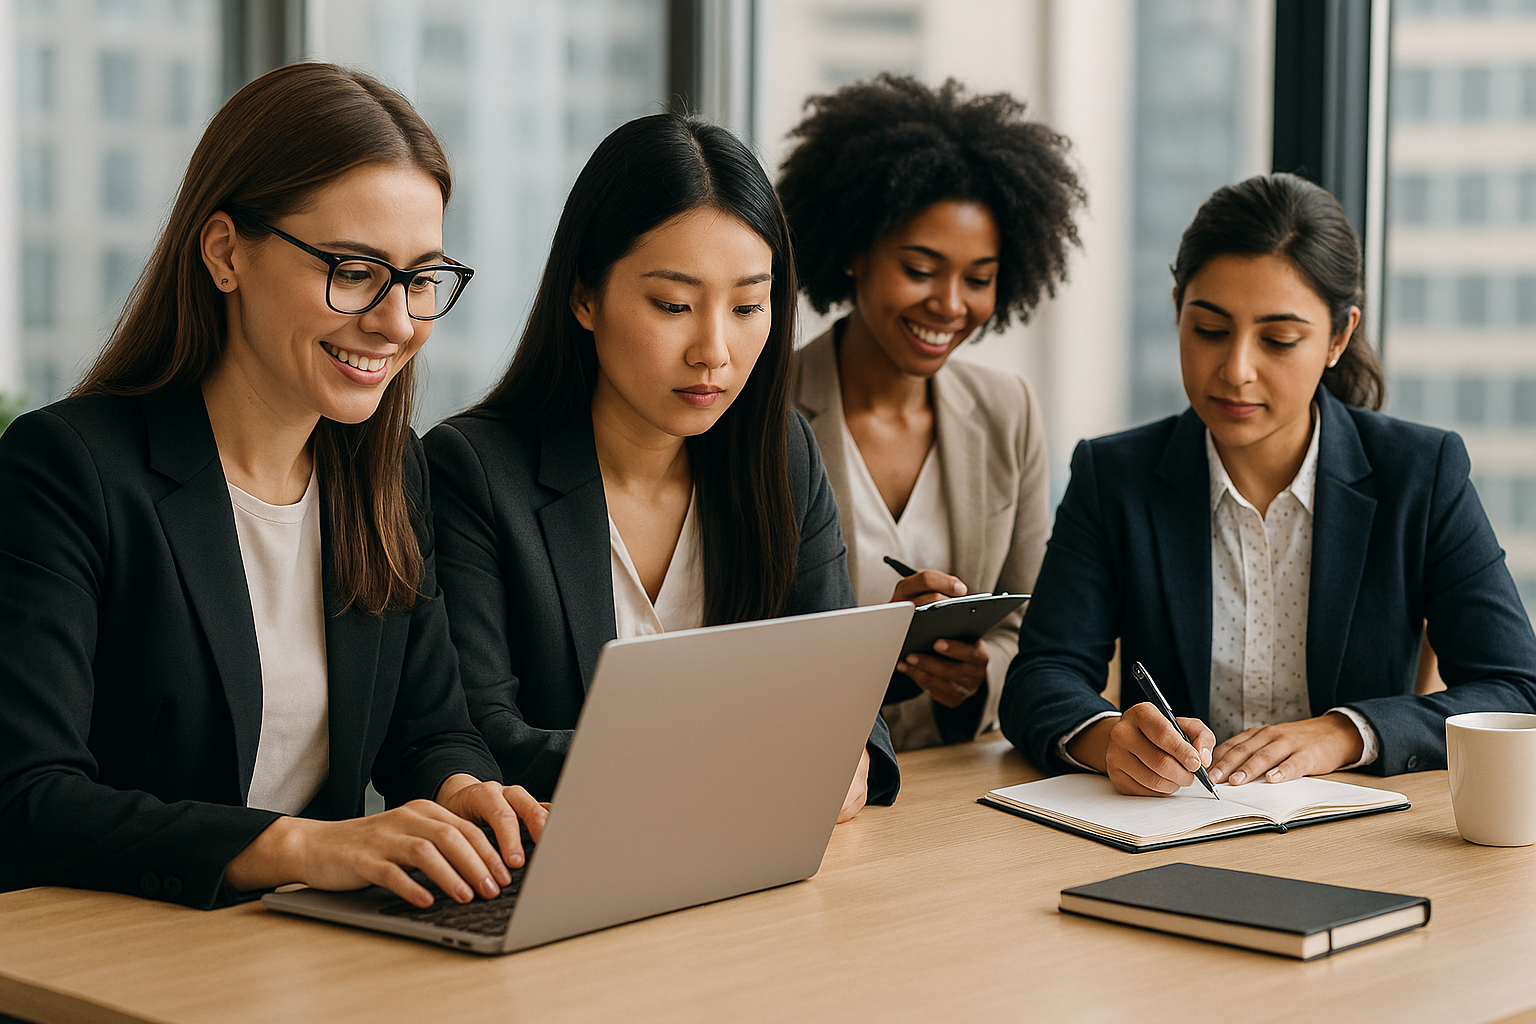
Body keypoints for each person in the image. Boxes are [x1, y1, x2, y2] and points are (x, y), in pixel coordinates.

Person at [0, 63, 544, 911]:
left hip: (304, 954)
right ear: (225, 252)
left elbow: (429, 728)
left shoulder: (386, 470)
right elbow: (25, 798)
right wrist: (303, 846)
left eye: (421, 279)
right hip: (125, 952)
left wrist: (464, 791)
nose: (398, 323)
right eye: (355, 271)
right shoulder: (68, 471)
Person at [999, 172, 1536, 795]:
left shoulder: (1422, 471)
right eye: (1209, 330)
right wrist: (1112, 740)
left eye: (1279, 339)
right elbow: (1042, 675)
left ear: (1339, 337)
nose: (1236, 370)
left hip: (1357, 835)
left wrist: (1340, 733)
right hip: (1175, 826)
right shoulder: (1113, 476)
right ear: (1177, 309)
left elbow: (1515, 688)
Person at [425, 113, 897, 818]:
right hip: (564, 870)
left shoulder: (782, 454)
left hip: (754, 871)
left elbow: (839, 691)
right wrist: (733, 768)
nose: (715, 349)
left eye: (747, 306)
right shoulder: (474, 471)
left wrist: (852, 753)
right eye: (674, 304)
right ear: (585, 294)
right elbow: (482, 737)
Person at [776, 74, 1084, 750]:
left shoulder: (1009, 410)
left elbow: (1029, 629)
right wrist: (872, 649)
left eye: (978, 279)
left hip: (959, 776)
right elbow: (737, 640)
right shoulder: (763, 411)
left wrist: (977, 679)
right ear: (855, 252)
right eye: (920, 268)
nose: (950, 304)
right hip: (810, 766)